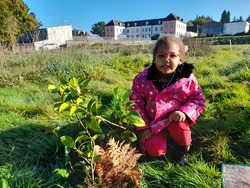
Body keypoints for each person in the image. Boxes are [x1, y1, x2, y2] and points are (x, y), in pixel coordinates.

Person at [129, 35, 206, 166]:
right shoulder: (142, 79)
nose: (166, 60)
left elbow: (198, 100)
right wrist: (143, 127)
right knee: (155, 150)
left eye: (172, 56)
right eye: (161, 56)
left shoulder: (187, 79)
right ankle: (147, 142)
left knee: (181, 130)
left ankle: (181, 150)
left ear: (180, 59)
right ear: (154, 58)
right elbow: (135, 103)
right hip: (152, 122)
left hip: (175, 120)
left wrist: (183, 112)